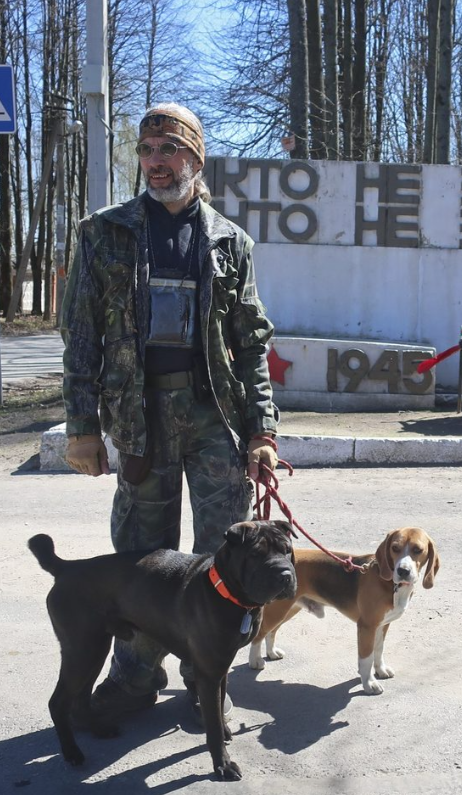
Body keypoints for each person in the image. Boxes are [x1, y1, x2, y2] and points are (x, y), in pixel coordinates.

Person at [60, 102, 280, 719]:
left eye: (170, 150)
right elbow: (80, 336)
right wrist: (82, 428)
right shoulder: (103, 232)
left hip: (216, 420)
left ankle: (208, 677)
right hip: (139, 420)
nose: (157, 163)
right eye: (148, 151)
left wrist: (261, 430)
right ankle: (133, 681)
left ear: (196, 158)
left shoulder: (230, 243)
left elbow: (250, 346)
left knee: (224, 560)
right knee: (141, 561)